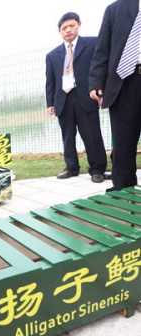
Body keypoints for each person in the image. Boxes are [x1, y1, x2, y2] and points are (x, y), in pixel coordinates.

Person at [45, 12, 107, 183]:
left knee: (92, 134)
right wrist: (50, 102)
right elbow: (50, 81)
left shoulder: (92, 43)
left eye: (71, 25)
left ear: (79, 24)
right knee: (67, 135)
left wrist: (100, 88)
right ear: (60, 32)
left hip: (85, 96)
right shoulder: (52, 55)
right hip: (63, 99)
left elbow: (100, 66)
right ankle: (71, 167)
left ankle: (97, 169)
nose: (68, 30)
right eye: (64, 28)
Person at [89, 0, 141, 192]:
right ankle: (123, 191)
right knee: (123, 143)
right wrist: (96, 82)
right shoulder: (115, 9)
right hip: (125, 80)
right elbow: (102, 48)